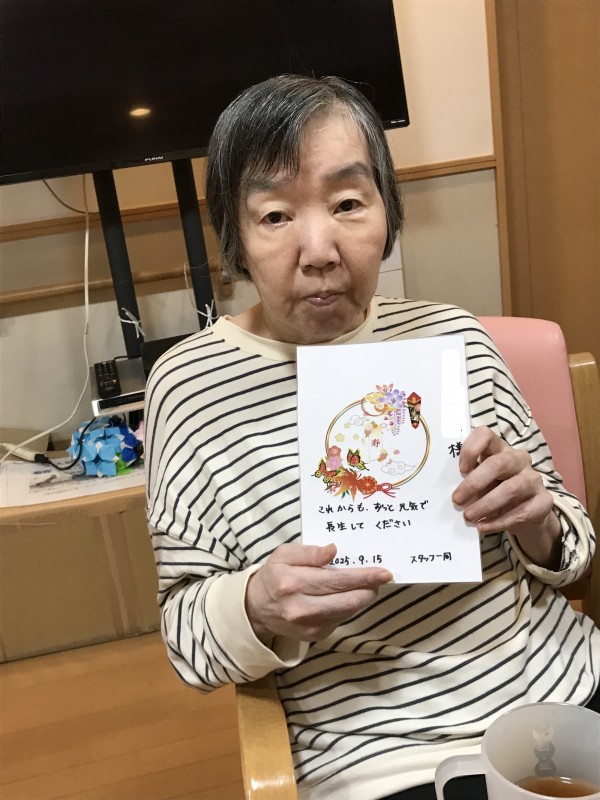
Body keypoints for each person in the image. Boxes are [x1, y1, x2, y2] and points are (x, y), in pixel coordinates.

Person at [144, 75, 599, 800]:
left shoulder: (454, 339)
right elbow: (188, 638)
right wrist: (257, 604)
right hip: (379, 759)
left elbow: (572, 555)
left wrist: (536, 519)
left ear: (388, 210)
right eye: (274, 215)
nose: (319, 250)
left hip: (564, 695)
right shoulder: (190, 388)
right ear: (235, 238)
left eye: (348, 203)